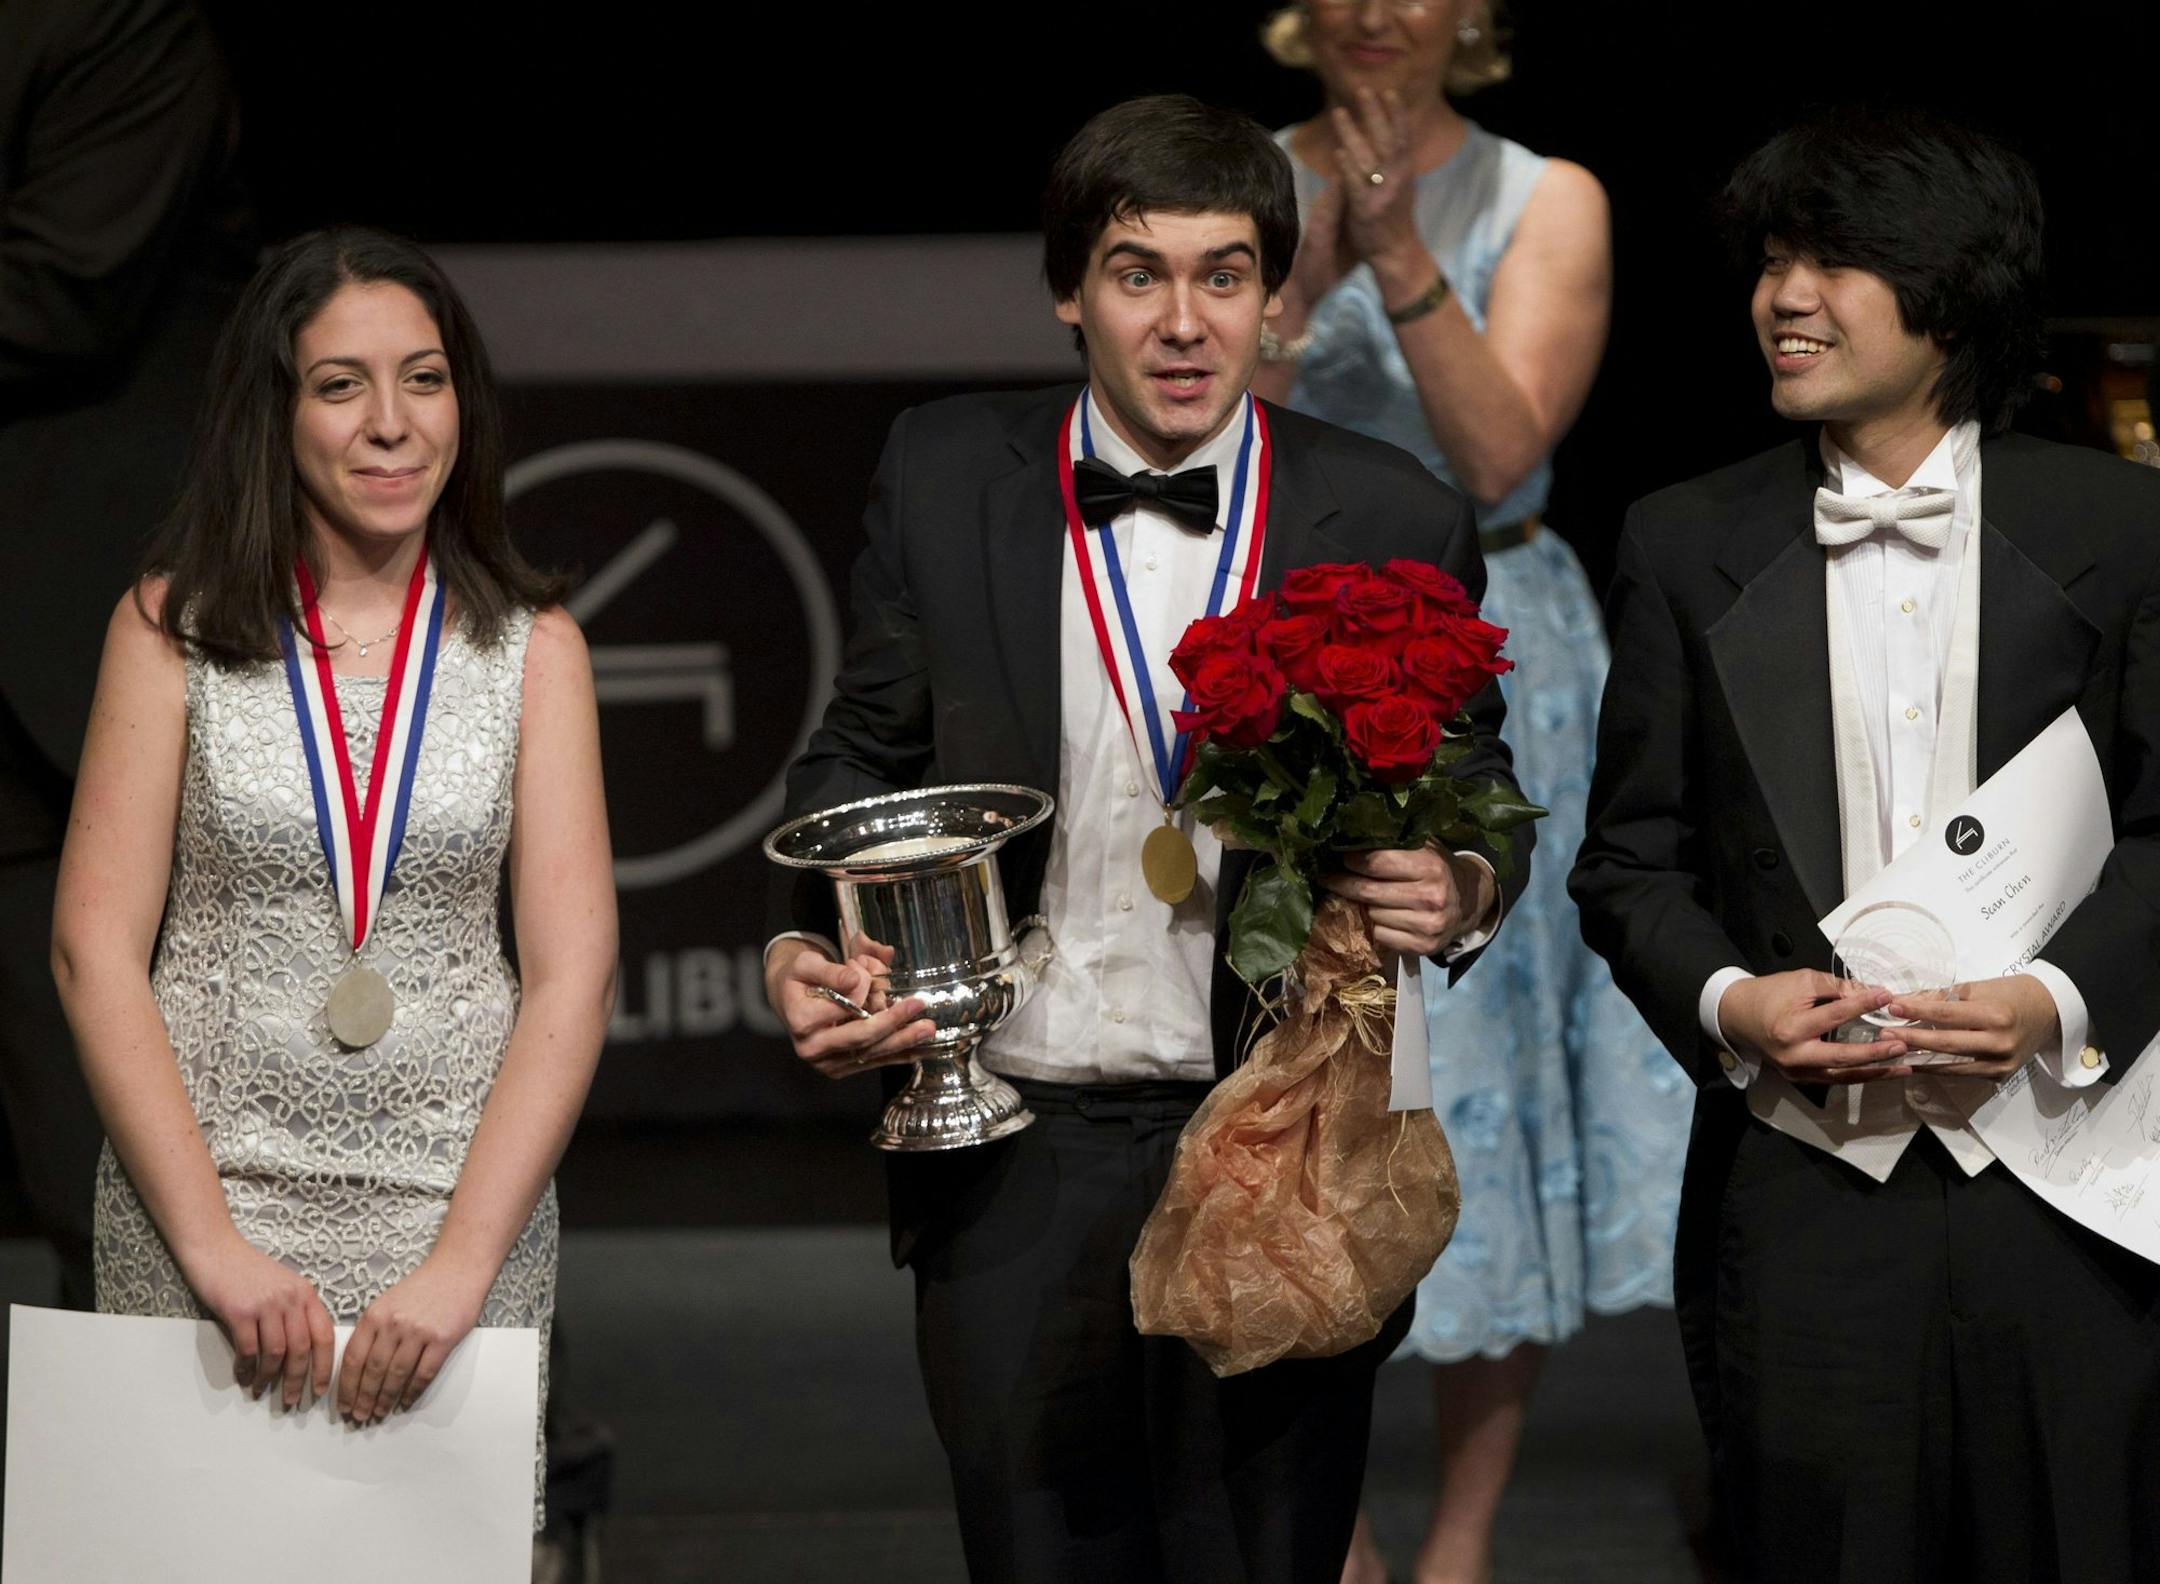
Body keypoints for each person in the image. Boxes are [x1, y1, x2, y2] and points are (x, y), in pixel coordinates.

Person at [762, 94, 1532, 1584]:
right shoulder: (943, 476)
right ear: (1071, 289)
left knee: (1265, 1558)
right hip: (1012, 1141)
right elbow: (860, 752)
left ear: (1273, 295)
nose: (1185, 322)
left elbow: (1475, 785)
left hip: (1283, 1135)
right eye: (1138, 274)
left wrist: (1461, 885)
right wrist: (808, 941)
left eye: (1225, 275)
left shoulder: (1388, 512)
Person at [1571, 108, 2160, 1582]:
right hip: (1810, 1174)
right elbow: (1629, 861)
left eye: (1834, 261)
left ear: (1950, 293)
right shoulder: (1680, 538)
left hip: (2070, 1166)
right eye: (1773, 261)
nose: (1786, 296)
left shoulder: (2125, 524)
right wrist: (1732, 1003)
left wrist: (2051, 1003)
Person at [51, 227, 617, 1531]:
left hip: (452, 1221)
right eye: (342, 384)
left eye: (424, 378)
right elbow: (93, 951)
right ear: (275, 411)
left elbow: (572, 975)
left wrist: (463, 1262)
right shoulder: (169, 628)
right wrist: (211, 1248)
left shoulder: (535, 649)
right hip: (202, 1205)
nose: (393, 424)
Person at [1252, 6, 1686, 1580]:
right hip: (1277, 666)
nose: (1381, 9)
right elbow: (1199, 415)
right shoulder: (1238, 183)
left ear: (1475, 19)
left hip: (1486, 652)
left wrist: (1399, 253)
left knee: (1480, 1092)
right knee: (1300, 1083)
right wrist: (1303, 266)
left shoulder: (1547, 193)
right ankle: (1336, 1535)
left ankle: (1463, 1544)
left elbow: (1497, 459)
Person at [0, 0, 255, 1320]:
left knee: (103, 1176)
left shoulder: (116, 20)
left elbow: (60, 294)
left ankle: (163, 1509)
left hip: (55, 662)